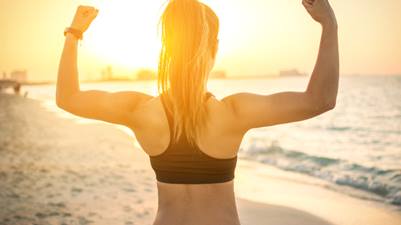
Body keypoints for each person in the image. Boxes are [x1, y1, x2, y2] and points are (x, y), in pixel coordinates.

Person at [56, 0, 338, 224]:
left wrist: (74, 33)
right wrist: (329, 24)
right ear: (213, 48)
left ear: (167, 48)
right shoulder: (234, 113)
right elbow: (319, 100)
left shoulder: (140, 111)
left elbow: (68, 98)